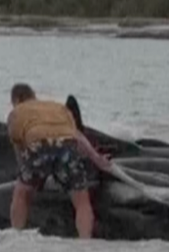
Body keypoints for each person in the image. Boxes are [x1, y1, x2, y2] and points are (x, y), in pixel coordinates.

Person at [6, 83, 112, 239]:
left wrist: (26, 174)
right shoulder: (58, 108)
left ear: (16, 100)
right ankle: (86, 242)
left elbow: (19, 148)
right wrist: (97, 158)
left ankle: (16, 234)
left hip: (38, 145)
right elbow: (77, 136)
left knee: (21, 194)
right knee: (82, 201)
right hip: (67, 146)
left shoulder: (16, 113)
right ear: (34, 95)